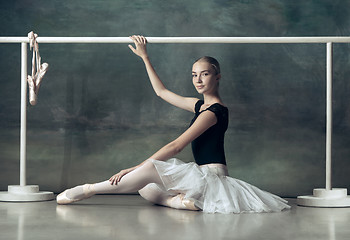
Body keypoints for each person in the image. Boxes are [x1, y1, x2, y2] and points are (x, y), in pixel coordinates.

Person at [57, 35, 291, 214]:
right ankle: (182, 202)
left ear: (217, 77)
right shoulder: (201, 107)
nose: (198, 80)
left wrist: (134, 168)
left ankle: (88, 189)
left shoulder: (214, 112)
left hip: (211, 177)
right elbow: (161, 92)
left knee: (149, 169)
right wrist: (145, 57)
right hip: (200, 175)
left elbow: (176, 146)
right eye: (194, 74)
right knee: (146, 188)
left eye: (205, 74)